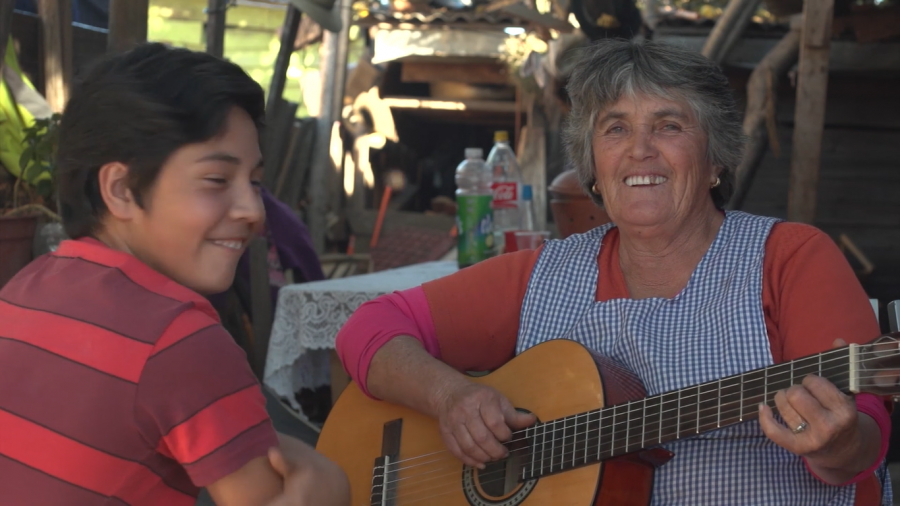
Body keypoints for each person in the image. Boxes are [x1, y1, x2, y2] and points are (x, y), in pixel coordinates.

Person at [336, 39, 892, 505]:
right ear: (594, 169)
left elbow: (864, 439)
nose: (639, 152)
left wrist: (837, 446)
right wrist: (449, 397)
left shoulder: (789, 257)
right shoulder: (542, 276)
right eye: (616, 129)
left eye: (669, 126)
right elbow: (368, 330)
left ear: (715, 158)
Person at [0, 43, 349, 506]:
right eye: (217, 181)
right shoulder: (179, 339)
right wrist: (328, 487)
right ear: (121, 189)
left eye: (255, 182)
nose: (253, 211)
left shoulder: (24, 289)